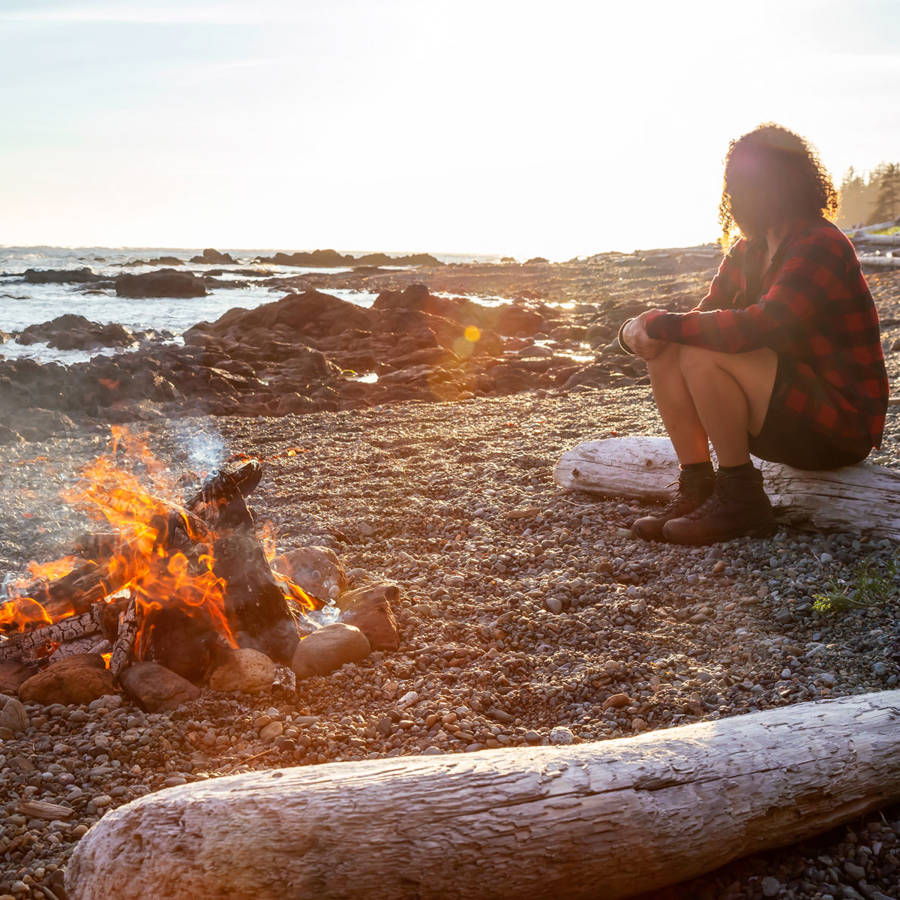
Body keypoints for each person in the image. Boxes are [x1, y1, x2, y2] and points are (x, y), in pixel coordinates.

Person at [618, 123, 889, 546]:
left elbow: (769, 323)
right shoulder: (749, 250)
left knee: (702, 349)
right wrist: (636, 331)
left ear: (789, 181)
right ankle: (699, 489)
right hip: (782, 414)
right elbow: (700, 320)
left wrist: (663, 322)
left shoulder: (820, 243)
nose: (745, 193)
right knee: (674, 349)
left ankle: (741, 497)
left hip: (836, 426)